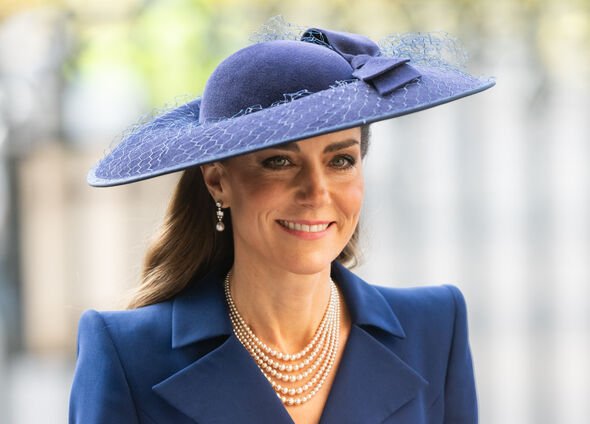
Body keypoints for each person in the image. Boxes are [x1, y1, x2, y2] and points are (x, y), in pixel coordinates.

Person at [69, 20, 494, 424]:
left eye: (340, 160)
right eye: (279, 161)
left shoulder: (434, 329)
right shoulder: (127, 353)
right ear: (218, 181)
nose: (317, 192)